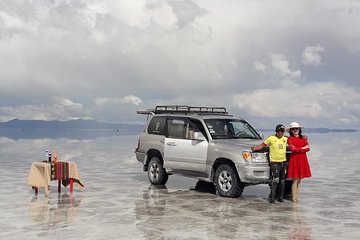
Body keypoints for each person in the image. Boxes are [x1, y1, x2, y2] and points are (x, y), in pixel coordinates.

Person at [251, 124, 288, 203]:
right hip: (274, 163)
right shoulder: (271, 138)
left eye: (282, 131)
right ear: (276, 131)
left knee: (282, 181)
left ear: (284, 132)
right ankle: (272, 198)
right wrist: (255, 148)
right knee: (275, 180)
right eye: (278, 131)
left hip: (283, 162)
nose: (280, 133)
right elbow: (262, 145)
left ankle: (280, 198)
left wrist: (303, 138)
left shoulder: (286, 138)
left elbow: (294, 142)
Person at [286, 122, 312, 202]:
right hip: (294, 159)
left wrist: (300, 148)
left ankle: (297, 198)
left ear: (299, 129)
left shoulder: (304, 138)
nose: (295, 130)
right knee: (295, 179)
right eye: (293, 129)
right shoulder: (290, 139)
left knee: (299, 180)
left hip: (302, 159)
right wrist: (303, 147)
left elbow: (308, 149)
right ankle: (294, 198)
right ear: (290, 130)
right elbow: (292, 149)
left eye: (296, 128)